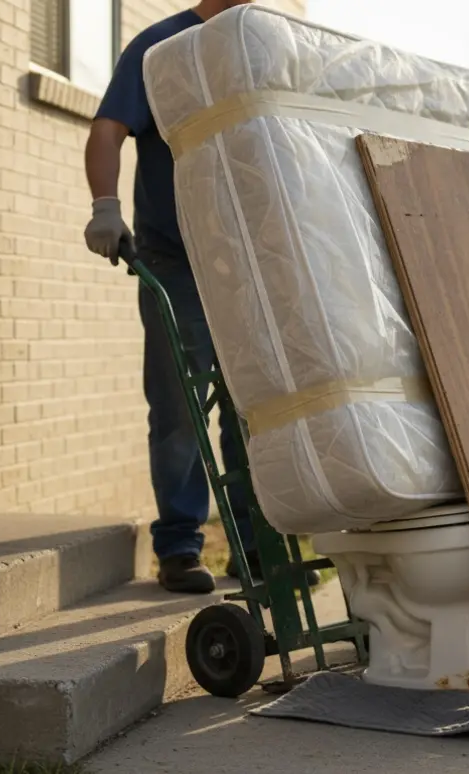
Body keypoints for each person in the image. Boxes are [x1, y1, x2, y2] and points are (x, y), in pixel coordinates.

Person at [82, 0, 318, 594]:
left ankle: (258, 548)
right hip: (174, 255)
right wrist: (105, 207)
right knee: (181, 405)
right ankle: (181, 548)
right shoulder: (161, 47)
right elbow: (108, 129)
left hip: (245, 259)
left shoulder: (258, 45)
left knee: (254, 405)